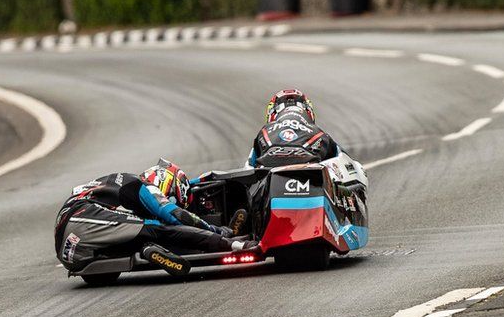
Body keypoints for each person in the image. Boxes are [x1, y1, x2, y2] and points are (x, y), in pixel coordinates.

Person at [54, 160, 255, 275]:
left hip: (73, 252)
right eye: (172, 197)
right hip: (82, 217)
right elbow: (175, 216)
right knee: (157, 228)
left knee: (145, 231)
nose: (170, 201)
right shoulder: (140, 184)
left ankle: (148, 249)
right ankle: (231, 244)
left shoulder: (113, 190)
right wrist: (217, 231)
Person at [246, 88, 342, 168]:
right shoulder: (318, 133)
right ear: (308, 111)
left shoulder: (265, 131)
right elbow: (342, 158)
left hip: (268, 166)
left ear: (272, 112)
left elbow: (250, 164)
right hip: (309, 167)